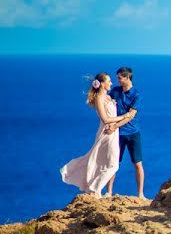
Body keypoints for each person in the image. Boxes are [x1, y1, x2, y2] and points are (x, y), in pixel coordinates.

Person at [60, 73, 125, 199]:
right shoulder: (99, 98)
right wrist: (124, 117)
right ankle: (95, 189)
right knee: (113, 164)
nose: (111, 83)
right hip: (106, 133)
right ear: (102, 83)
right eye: (109, 81)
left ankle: (96, 191)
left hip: (113, 133)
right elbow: (105, 119)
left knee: (103, 162)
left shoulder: (107, 97)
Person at [106, 66, 145, 199]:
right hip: (117, 134)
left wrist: (114, 126)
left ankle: (140, 194)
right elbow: (105, 101)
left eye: (120, 78)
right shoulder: (115, 91)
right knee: (113, 163)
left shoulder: (137, 95)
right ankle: (109, 192)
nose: (118, 80)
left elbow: (130, 116)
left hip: (133, 133)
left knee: (137, 164)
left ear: (127, 77)